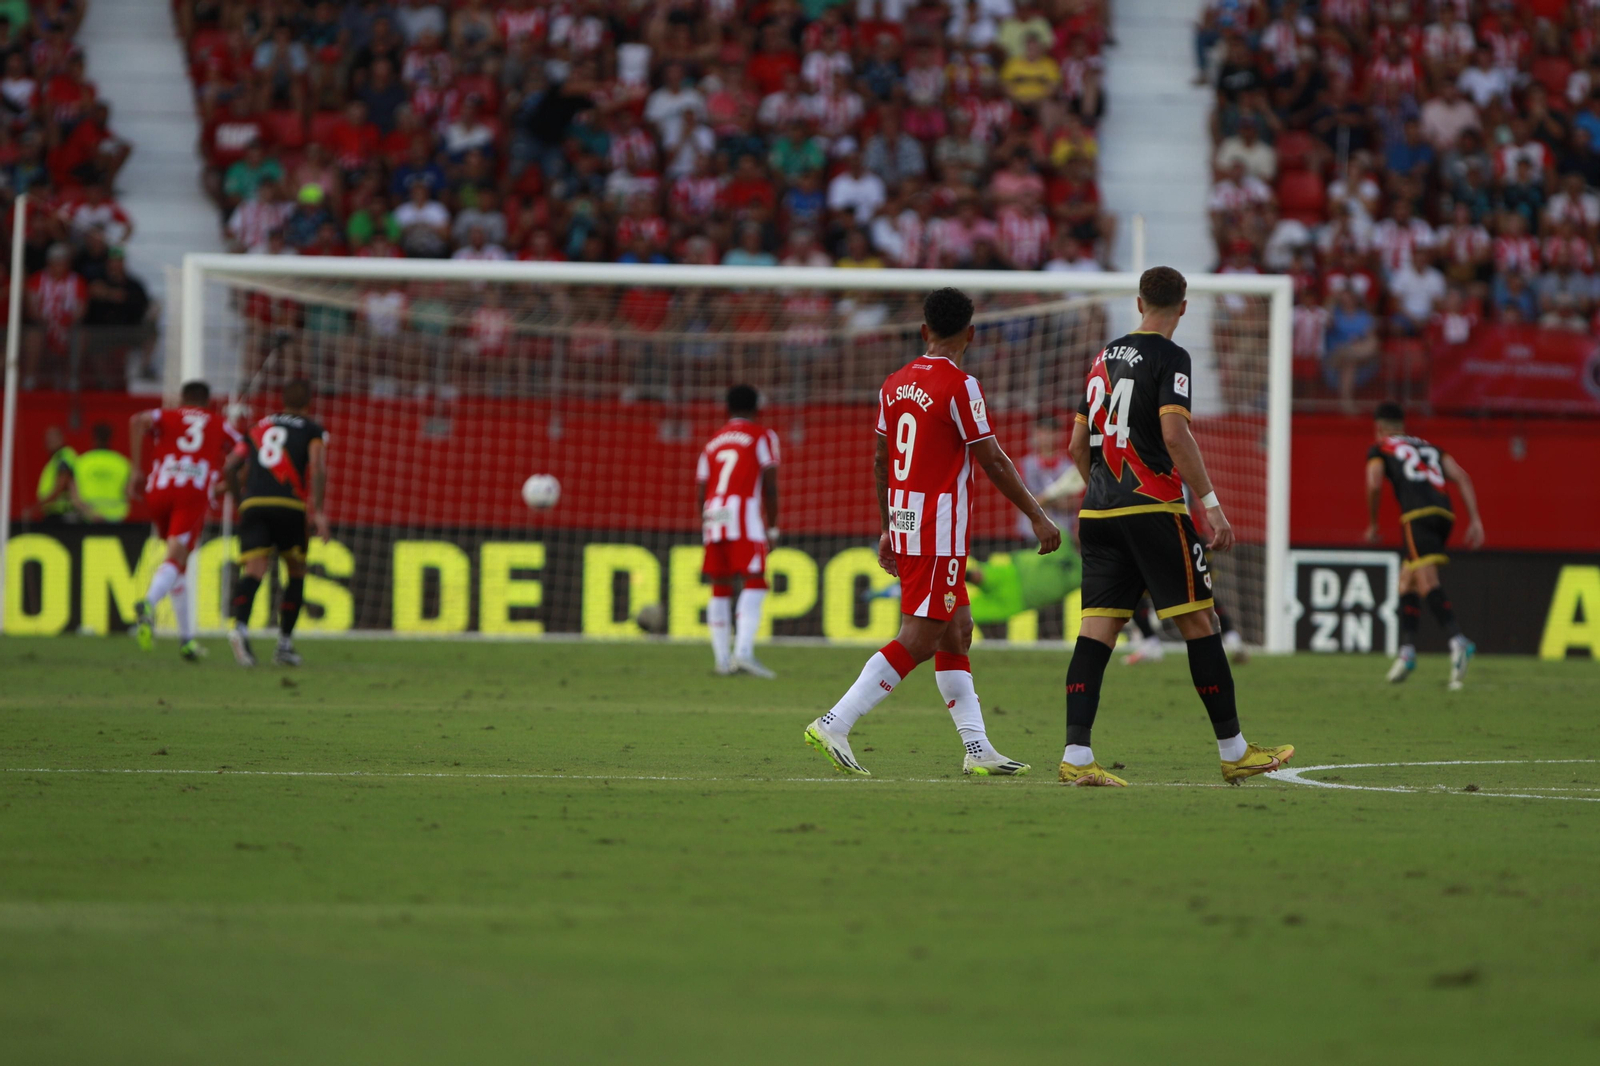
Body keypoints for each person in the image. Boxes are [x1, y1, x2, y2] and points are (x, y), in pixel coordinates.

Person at [804, 287, 1061, 778]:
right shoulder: (960, 386)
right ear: (971, 333)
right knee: (920, 638)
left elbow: (882, 459)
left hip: (905, 519)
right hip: (936, 527)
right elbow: (993, 459)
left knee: (957, 631)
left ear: (925, 330)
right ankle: (835, 721)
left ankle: (978, 748)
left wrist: (886, 525)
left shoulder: (894, 383)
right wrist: (1036, 514)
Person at [1060, 267, 1292, 787]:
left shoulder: (1101, 358)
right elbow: (1174, 433)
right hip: (1153, 509)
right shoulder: (1172, 357)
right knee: (1199, 625)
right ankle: (1234, 751)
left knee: (1096, 633)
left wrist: (1101, 491)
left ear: (1139, 302)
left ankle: (1076, 756)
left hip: (1098, 513)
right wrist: (1210, 504)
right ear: (1183, 308)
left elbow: (1077, 446)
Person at [1364, 402, 1484, 690]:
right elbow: (1463, 478)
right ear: (1402, 425)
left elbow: (1374, 482)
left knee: (1427, 581)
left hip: (1417, 516)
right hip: (1445, 516)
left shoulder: (1380, 446)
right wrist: (1476, 520)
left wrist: (1373, 523)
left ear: (1378, 426)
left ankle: (1458, 641)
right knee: (1407, 583)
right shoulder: (1431, 447)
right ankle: (1407, 653)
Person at [128, 381, 242, 661]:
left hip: (159, 489)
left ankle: (187, 640)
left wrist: (135, 471)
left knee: (179, 563)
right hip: (191, 492)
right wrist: (228, 482)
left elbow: (136, 421)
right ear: (207, 400)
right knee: (176, 558)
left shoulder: (166, 415)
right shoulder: (219, 422)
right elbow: (243, 449)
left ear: (182, 399)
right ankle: (149, 602)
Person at [222, 379, 330, 668]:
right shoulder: (311, 429)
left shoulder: (257, 427)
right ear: (309, 403)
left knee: (254, 570)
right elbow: (318, 466)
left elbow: (231, 465)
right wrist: (318, 510)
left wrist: (239, 499)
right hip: (289, 506)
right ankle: (283, 645)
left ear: (282, 401)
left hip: (254, 505)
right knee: (295, 572)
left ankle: (240, 628)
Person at [696, 385, 780, 678]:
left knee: (720, 585)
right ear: (757, 408)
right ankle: (743, 653)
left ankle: (722, 660)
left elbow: (702, 487)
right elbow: (769, 483)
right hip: (744, 514)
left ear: (727, 409)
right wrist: (771, 527)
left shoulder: (712, 442)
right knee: (754, 579)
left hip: (713, 513)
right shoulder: (762, 436)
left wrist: (706, 522)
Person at [72, 422, 132, 522]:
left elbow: (75, 497)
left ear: (93, 438)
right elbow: (128, 493)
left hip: (88, 519)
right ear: (110, 438)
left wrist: (91, 513)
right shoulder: (123, 463)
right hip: (116, 519)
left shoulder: (81, 462)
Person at [30, 426, 78, 522]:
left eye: (53, 438)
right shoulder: (56, 459)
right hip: (55, 512)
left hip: (61, 514)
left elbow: (61, 484)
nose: (49, 442)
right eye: (47, 439)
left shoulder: (63, 457)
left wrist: (38, 506)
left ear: (62, 438)